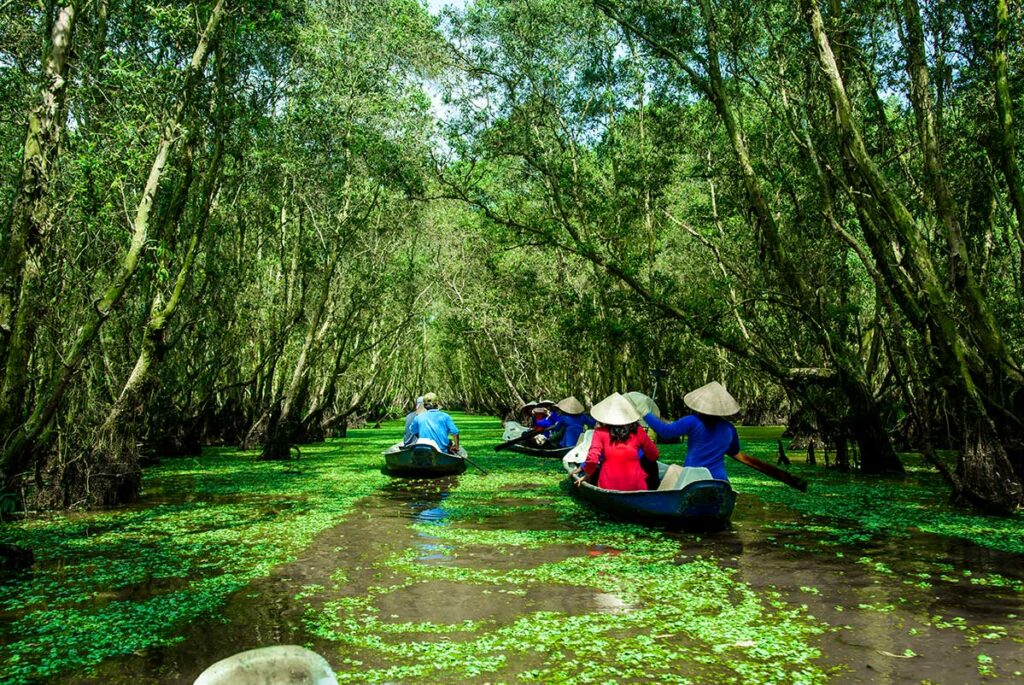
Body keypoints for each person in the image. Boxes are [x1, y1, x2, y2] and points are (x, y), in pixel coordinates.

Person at [643, 381, 739, 481]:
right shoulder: (730, 428)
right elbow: (733, 451)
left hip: (693, 478)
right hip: (720, 480)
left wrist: (646, 414)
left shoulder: (692, 421)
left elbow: (666, 432)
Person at [580, 392, 659, 491]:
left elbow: (592, 459)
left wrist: (587, 475)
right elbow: (654, 455)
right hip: (636, 486)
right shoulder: (638, 430)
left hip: (608, 486)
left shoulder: (600, 432)